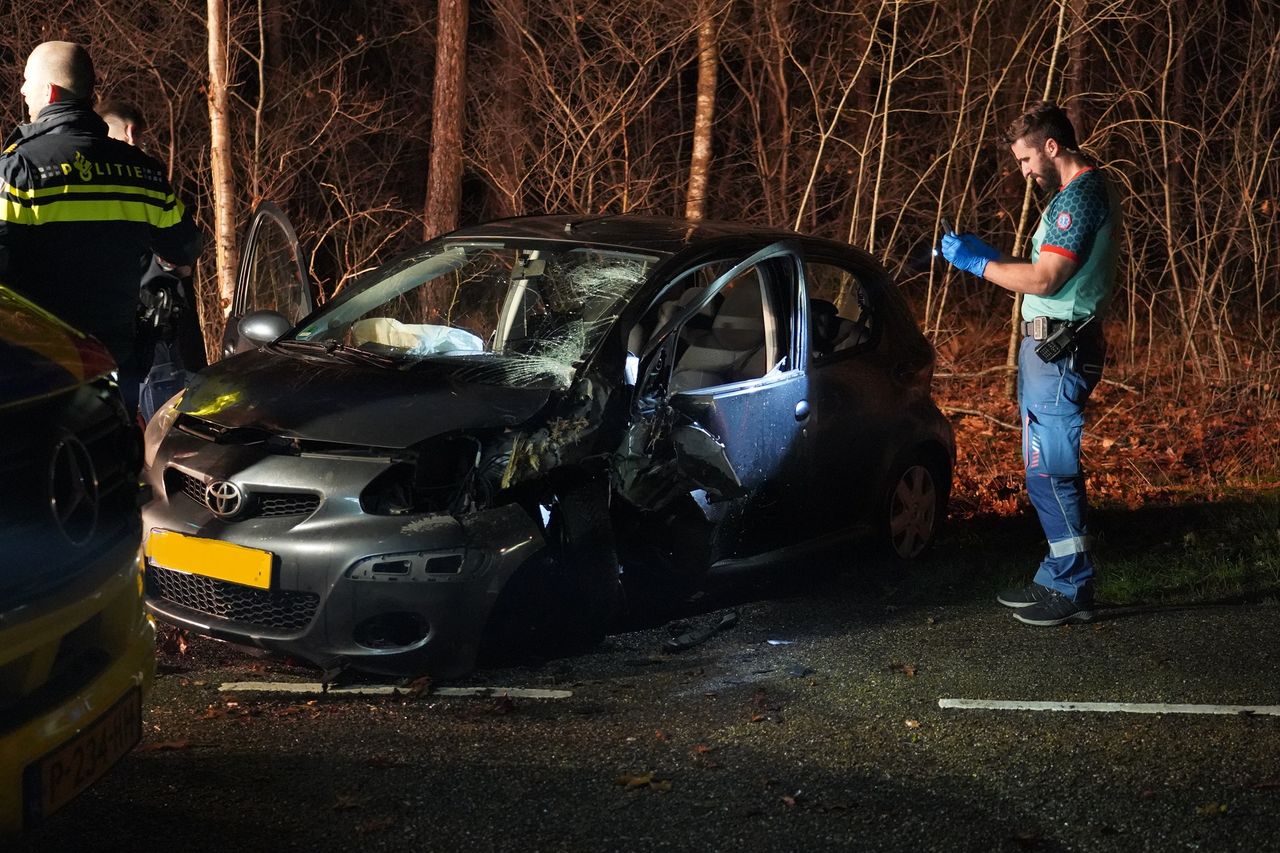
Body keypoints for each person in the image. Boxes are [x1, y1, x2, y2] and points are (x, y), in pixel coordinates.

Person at [940, 101, 1122, 627]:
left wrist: (979, 264)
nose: (1023, 173)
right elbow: (1042, 269)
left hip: (1061, 352)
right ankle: (1055, 575)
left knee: (1052, 469)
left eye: (1024, 161)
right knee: (1042, 469)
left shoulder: (1080, 196)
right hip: (1050, 350)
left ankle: (1073, 588)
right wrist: (989, 256)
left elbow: (1046, 281)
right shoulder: (1072, 196)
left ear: (1050, 147)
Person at [0, 41, 200, 417]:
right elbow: (185, 247)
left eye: (27, 81)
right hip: (117, 362)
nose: (22, 91)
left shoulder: (18, 170)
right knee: (116, 451)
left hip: (42, 369)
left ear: (50, 91)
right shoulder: (143, 171)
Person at [96, 98, 208, 419]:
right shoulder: (146, 178)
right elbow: (185, 251)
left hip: (125, 340)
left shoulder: (97, 180)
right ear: (133, 132)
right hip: (161, 339)